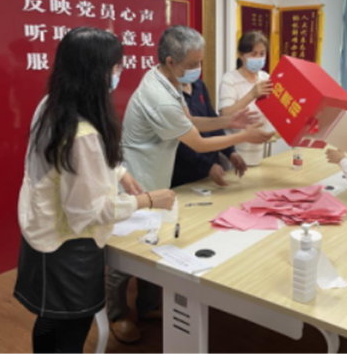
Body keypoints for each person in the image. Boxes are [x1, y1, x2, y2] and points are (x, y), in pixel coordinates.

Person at [107, 25, 273, 343]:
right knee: (125, 253)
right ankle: (116, 314)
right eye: (193, 63)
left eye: (200, 61)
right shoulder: (159, 95)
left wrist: (228, 121)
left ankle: (148, 306)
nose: (198, 68)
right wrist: (243, 135)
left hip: (157, 176)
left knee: (153, 241)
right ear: (171, 61)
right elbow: (196, 142)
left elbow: (190, 121)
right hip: (137, 178)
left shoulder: (168, 80)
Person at [13, 27, 175, 353]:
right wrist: (146, 200)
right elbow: (89, 210)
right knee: (71, 329)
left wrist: (121, 172)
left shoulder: (52, 105)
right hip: (69, 247)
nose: (119, 73)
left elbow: (70, 164)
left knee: (48, 319)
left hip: (42, 231)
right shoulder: (82, 132)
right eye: (116, 67)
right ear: (95, 72)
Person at [172, 78, 247, 188]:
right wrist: (207, 167)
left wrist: (230, 152)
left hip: (213, 171)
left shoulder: (199, 85)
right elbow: (181, 140)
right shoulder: (169, 94)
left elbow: (212, 120)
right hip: (186, 174)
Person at [219, 31, 273, 166]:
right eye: (253, 54)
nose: (258, 58)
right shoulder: (230, 79)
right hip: (234, 151)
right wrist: (252, 94)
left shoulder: (265, 78)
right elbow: (225, 114)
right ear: (241, 54)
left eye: (262, 54)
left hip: (257, 150)